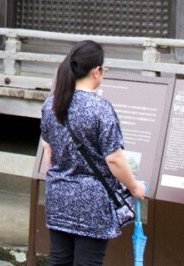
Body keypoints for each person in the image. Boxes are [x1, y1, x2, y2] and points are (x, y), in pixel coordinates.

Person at [40, 40, 147, 266]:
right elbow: (114, 159)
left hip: (58, 194)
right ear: (96, 71)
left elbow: (47, 148)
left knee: (59, 260)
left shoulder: (51, 104)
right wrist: (135, 186)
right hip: (92, 201)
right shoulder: (100, 108)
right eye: (104, 69)